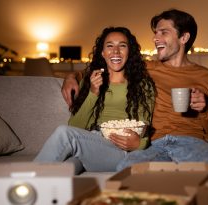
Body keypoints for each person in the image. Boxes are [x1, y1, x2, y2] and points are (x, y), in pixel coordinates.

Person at [61, 9, 208, 171]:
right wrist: (71, 78)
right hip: (154, 145)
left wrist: (205, 109)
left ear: (184, 37)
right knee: (126, 169)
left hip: (192, 142)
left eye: (163, 32)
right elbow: (105, 64)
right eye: (155, 33)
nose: (155, 38)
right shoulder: (145, 68)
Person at [34, 27, 156, 174]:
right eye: (110, 46)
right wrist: (93, 93)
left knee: (63, 133)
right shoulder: (90, 81)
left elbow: (144, 126)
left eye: (122, 45)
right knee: (66, 168)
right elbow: (75, 125)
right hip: (90, 144)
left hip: (118, 150)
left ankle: (22, 182)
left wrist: (139, 144)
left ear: (129, 52)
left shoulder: (142, 85)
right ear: (102, 53)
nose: (116, 51)